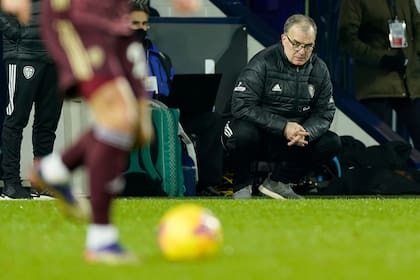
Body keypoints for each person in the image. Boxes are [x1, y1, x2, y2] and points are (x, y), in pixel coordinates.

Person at [1, 0, 201, 265]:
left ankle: (56, 168)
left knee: (131, 126)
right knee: (117, 117)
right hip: (81, 26)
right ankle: (100, 238)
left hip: (114, 27)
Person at [222, 14, 341, 199]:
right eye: (296, 44)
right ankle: (241, 187)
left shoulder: (319, 69)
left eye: (308, 46)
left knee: (331, 142)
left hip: (292, 140)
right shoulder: (262, 62)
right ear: (284, 39)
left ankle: (278, 183)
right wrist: (283, 126)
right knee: (242, 133)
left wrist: (305, 131)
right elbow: (241, 105)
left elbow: (325, 112)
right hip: (261, 134)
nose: (302, 51)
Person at [129, 0, 226, 196]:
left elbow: (172, 87)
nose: (141, 29)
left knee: (211, 120)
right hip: (138, 115)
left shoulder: (159, 57)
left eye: (144, 24)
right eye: (135, 24)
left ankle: (208, 184)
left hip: (168, 112)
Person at [0, 0, 63, 199]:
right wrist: (17, 34)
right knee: (16, 121)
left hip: (55, 57)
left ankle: (42, 183)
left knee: (47, 124)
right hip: (23, 55)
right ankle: (11, 184)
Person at [338, 0, 420, 151]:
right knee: (381, 147)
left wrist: (414, 57)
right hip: (375, 85)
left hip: (409, 83)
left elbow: (417, 25)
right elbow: (347, 39)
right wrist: (381, 59)